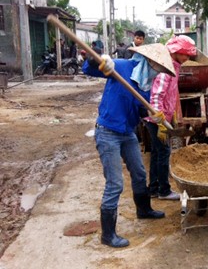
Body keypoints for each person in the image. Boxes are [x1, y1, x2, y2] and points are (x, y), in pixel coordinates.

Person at [82, 43, 176, 248]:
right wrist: (99, 61)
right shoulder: (122, 66)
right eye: (157, 66)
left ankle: (144, 210)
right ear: (149, 61)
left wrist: (152, 115)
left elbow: (140, 110)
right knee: (115, 183)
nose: (157, 71)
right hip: (107, 132)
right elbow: (88, 69)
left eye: (160, 69)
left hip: (128, 133)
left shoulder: (146, 84)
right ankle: (108, 235)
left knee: (140, 173)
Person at [144, 35, 197, 200]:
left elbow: (170, 93)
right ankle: (163, 191)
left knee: (156, 152)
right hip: (157, 120)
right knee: (164, 152)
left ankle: (153, 188)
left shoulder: (173, 67)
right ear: (176, 52)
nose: (187, 58)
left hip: (160, 117)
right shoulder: (165, 70)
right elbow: (156, 96)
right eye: (185, 55)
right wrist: (160, 120)